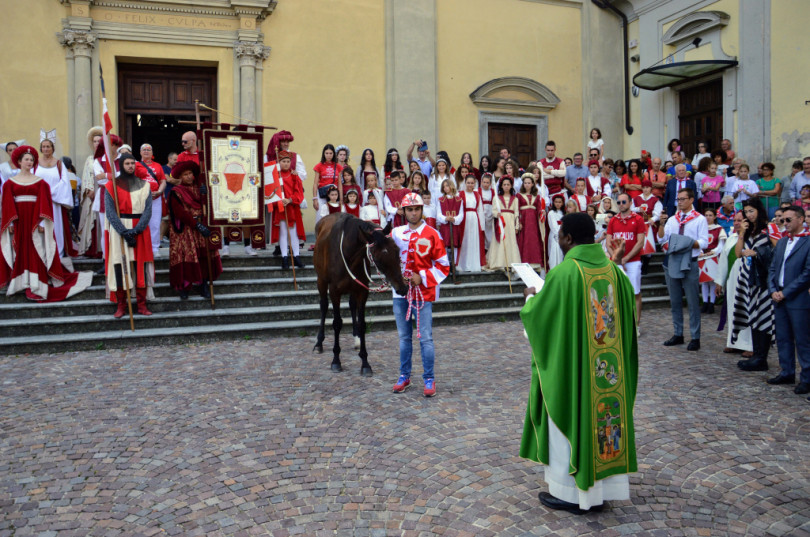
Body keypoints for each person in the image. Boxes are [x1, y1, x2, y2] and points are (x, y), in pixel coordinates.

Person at [520, 211, 637, 514]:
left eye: (559, 235)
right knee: (605, 424)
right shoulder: (614, 272)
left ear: (568, 239)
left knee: (569, 423)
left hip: (574, 374)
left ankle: (571, 496)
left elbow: (540, 320)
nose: (558, 240)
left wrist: (530, 298)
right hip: (607, 374)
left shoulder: (565, 272)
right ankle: (602, 489)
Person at [0, 145, 92, 301]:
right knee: (19, 248)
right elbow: (7, 204)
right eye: (26, 159)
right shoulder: (9, 183)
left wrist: (42, 223)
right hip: (18, 221)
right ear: (20, 161)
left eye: (32, 160)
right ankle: (20, 281)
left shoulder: (41, 183)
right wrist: (9, 223)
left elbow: (44, 204)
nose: (29, 162)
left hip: (35, 221)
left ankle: (36, 282)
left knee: (36, 249)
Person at [390, 192, 450, 398]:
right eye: (409, 209)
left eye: (416, 209)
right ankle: (404, 375)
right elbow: (385, 258)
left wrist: (422, 277)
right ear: (404, 211)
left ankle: (429, 378)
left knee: (425, 338)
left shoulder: (433, 234)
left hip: (423, 293)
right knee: (404, 338)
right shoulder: (396, 233)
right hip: (400, 294)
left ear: (421, 210)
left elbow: (444, 266)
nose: (413, 213)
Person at [103, 153, 155, 318]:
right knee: (120, 266)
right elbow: (110, 213)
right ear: (121, 165)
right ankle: (121, 306)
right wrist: (124, 232)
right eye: (127, 163)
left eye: (133, 163)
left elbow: (148, 211)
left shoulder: (145, 185)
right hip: (120, 230)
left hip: (139, 229)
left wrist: (136, 230)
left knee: (141, 267)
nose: (131, 166)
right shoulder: (111, 186)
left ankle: (141, 305)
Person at [766, 205, 810, 394]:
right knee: (783, 337)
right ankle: (787, 371)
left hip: (797, 296)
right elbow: (773, 268)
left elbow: (807, 273)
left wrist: (787, 292)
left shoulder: (807, 241)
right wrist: (773, 289)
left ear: (801, 220)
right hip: (779, 295)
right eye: (782, 220)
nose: (784, 223)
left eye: (788, 220)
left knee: (802, 339)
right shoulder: (783, 242)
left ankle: (807, 377)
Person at [658, 188, 709, 351]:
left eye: (682, 199)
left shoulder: (699, 219)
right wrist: (661, 224)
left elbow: (704, 243)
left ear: (691, 199)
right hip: (673, 259)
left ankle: (695, 336)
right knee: (675, 300)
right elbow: (662, 238)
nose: (679, 202)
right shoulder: (673, 219)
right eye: (678, 199)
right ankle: (678, 333)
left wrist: (684, 243)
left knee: (693, 301)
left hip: (690, 260)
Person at [167, 160, 222, 300]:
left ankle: (204, 285)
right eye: (185, 174)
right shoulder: (176, 192)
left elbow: (212, 206)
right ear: (180, 177)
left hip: (202, 226)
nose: (188, 176)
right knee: (188, 257)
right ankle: (185, 288)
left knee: (204, 256)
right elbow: (180, 213)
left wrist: (207, 195)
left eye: (190, 173)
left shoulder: (201, 189)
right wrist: (196, 225)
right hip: (187, 229)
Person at [733, 198, 775, 372]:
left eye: (752, 211)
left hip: (763, 279)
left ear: (758, 210)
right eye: (746, 211)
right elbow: (738, 253)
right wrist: (742, 233)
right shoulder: (748, 230)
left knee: (763, 316)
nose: (749, 215)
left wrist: (757, 253)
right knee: (753, 316)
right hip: (748, 278)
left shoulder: (769, 228)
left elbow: (777, 250)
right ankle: (757, 355)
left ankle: (762, 357)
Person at [715, 212, 753, 356]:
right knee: (732, 309)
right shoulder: (731, 238)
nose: (736, 223)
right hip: (732, 280)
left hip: (746, 280)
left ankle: (749, 344)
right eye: (734, 220)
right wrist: (720, 281)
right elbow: (724, 260)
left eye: (739, 220)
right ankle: (733, 342)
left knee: (745, 310)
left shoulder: (750, 238)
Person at [607, 193, 646, 330]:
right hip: (616, 262)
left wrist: (626, 258)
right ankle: (619, 323)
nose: (621, 205)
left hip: (633, 261)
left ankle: (636, 324)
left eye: (623, 202)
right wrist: (617, 258)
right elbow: (608, 243)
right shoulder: (613, 220)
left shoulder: (638, 219)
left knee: (635, 291)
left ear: (630, 203)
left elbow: (640, 242)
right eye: (618, 202)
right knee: (616, 292)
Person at [34, 138, 76, 260]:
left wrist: (49, 193)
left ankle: (58, 252)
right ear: (40, 148)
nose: (46, 149)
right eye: (43, 146)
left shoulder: (59, 164)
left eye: (48, 146)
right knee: (40, 225)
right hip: (39, 201)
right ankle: (41, 252)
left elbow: (64, 182)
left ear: (53, 148)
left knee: (55, 226)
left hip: (54, 202)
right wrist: (41, 194)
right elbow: (32, 179)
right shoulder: (35, 163)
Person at [270, 151, 305, 270]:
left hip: (292, 208)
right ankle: (284, 257)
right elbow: (271, 192)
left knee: (294, 233)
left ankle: (296, 256)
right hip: (280, 208)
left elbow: (299, 192)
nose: (286, 164)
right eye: (283, 161)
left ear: (291, 163)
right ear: (279, 162)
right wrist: (279, 201)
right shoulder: (275, 177)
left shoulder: (294, 176)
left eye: (288, 161)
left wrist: (290, 200)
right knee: (283, 232)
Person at [134, 143, 167, 258]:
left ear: (152, 153)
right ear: (140, 152)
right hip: (141, 199)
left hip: (156, 198)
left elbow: (163, 181)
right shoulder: (136, 165)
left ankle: (154, 248)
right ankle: (142, 248)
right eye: (144, 149)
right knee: (142, 223)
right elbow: (133, 182)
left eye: (149, 149)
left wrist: (159, 191)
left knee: (155, 224)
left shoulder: (158, 166)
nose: (146, 151)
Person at [77, 126, 103, 257]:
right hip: (93, 192)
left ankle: (102, 248)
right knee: (92, 219)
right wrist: (89, 189)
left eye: (99, 141)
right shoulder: (89, 159)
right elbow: (85, 175)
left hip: (104, 191)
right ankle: (92, 248)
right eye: (95, 141)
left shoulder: (106, 159)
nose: (97, 143)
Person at [487, 176, 521, 272]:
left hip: (510, 222)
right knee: (501, 240)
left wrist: (517, 225)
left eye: (508, 185)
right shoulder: (496, 198)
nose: (506, 186)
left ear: (511, 186)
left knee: (510, 241)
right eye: (504, 185)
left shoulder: (515, 199)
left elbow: (517, 213)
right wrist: (496, 214)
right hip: (501, 221)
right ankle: (500, 262)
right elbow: (493, 210)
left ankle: (510, 262)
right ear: (501, 186)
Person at [699, 208, 727, 314]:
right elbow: (698, 241)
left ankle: (712, 303)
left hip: (713, 257)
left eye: (710, 215)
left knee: (712, 280)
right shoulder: (701, 228)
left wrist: (713, 252)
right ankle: (705, 302)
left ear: (715, 217)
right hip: (702, 256)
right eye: (706, 215)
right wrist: (701, 251)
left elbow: (721, 244)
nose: (708, 217)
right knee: (704, 281)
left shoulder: (719, 229)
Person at [456, 175, 486, 272]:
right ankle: (463, 264)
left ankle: (473, 265)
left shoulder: (477, 195)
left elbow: (480, 210)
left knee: (473, 241)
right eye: (468, 183)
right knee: (464, 241)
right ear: (465, 183)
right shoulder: (460, 194)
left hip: (474, 219)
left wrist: (482, 226)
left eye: (472, 183)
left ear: (474, 184)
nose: (470, 185)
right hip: (464, 219)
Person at [516, 173, 544, 270]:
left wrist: (542, 213)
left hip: (533, 222)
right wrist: (518, 222)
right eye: (525, 183)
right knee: (524, 240)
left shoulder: (536, 196)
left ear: (532, 184)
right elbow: (517, 209)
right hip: (523, 220)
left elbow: (539, 208)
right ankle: (523, 261)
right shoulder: (519, 196)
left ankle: (534, 262)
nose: (527, 185)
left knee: (533, 240)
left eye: (529, 183)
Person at [312, 144, 342, 223]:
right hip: (322, 194)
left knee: (334, 216)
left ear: (333, 154)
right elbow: (315, 183)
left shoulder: (338, 166)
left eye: (330, 153)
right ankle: (320, 234)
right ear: (323, 154)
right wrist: (315, 199)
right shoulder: (319, 166)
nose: (328, 155)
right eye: (327, 153)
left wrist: (341, 199)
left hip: (334, 195)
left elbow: (340, 184)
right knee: (320, 216)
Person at [437, 179, 463, 267]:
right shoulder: (440, 200)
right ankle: (446, 265)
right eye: (444, 186)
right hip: (445, 226)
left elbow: (461, 213)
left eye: (447, 186)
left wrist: (455, 219)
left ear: (451, 186)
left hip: (455, 226)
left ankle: (454, 265)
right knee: (446, 244)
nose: (445, 188)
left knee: (454, 244)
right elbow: (438, 213)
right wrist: (445, 218)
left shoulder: (459, 200)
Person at [546, 196, 566, 269]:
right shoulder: (551, 213)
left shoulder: (564, 213)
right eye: (556, 202)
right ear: (553, 203)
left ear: (563, 203)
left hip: (563, 236)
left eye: (559, 202)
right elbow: (553, 225)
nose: (557, 204)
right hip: (555, 236)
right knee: (554, 253)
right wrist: (558, 233)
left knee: (561, 253)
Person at [478, 173, 496, 249]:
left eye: (487, 182)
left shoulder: (492, 191)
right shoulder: (478, 191)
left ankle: (489, 248)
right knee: (481, 231)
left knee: (489, 232)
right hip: (481, 212)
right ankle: (482, 248)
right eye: (484, 182)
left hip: (490, 213)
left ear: (490, 183)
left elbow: (494, 202)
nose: (485, 184)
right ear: (481, 182)